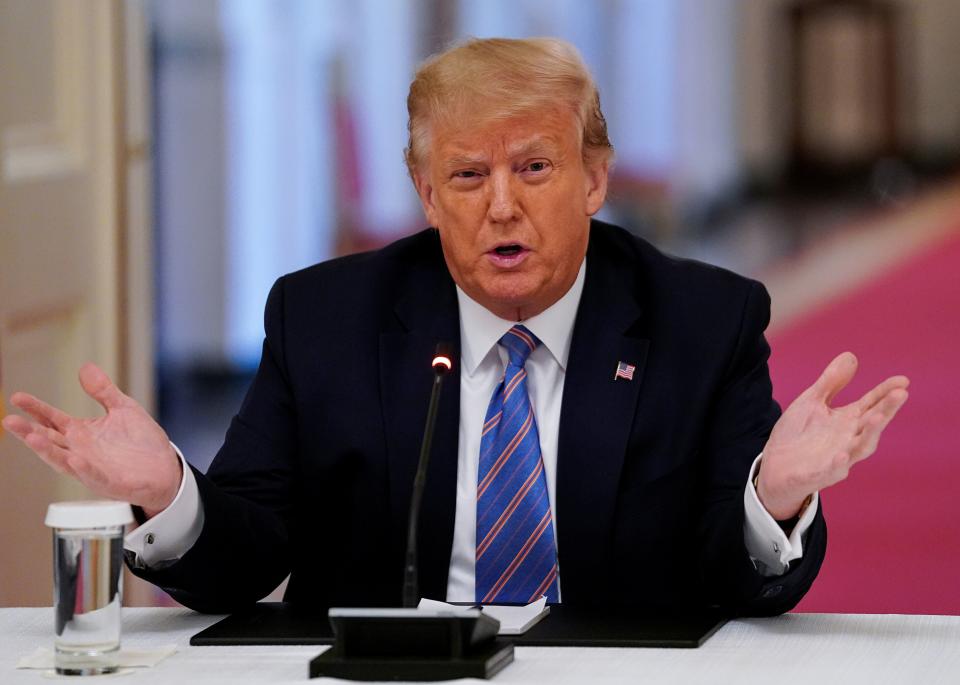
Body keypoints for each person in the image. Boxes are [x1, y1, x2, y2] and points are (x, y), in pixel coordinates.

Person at [3, 38, 908, 614]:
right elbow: (243, 559)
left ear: (596, 180)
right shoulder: (325, 320)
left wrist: (776, 496)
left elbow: (738, 575)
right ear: (426, 195)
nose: (502, 207)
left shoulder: (702, 319)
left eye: (536, 166)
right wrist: (168, 493)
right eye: (468, 178)